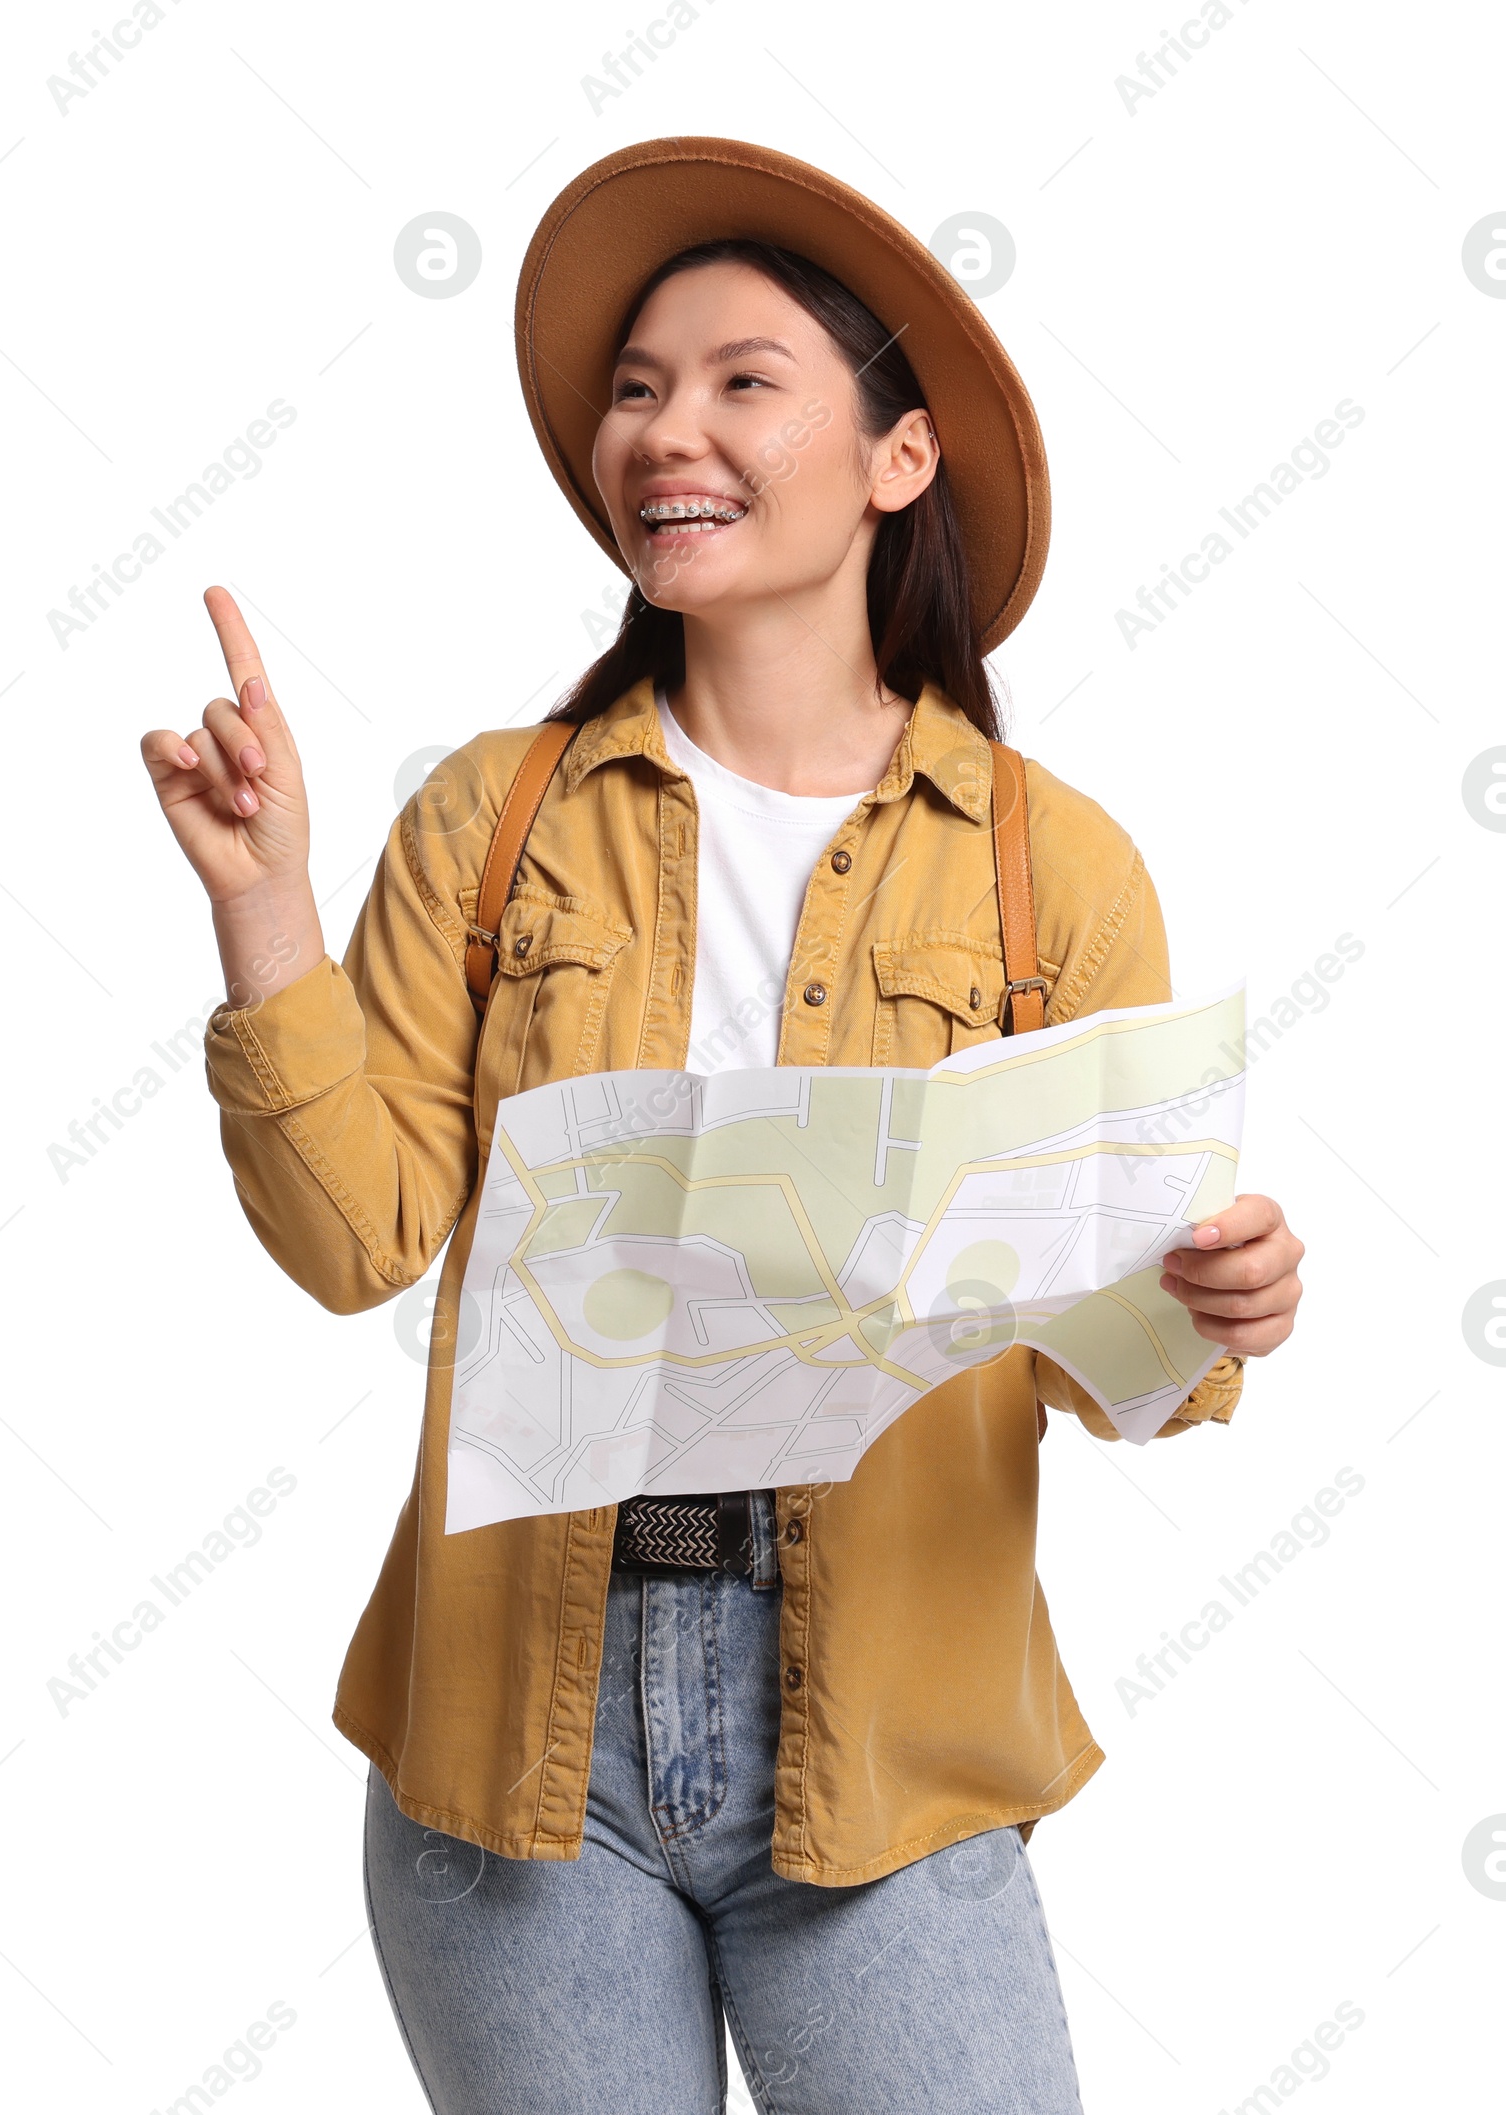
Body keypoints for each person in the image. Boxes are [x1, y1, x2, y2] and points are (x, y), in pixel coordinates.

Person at [142, 139, 1304, 2114]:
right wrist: (264, 907)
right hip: (515, 1722)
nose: (661, 426)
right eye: (632, 386)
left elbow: (1132, 1373)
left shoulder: (1046, 868)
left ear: (895, 459)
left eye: (738, 380)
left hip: (893, 1734)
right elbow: (356, 1240)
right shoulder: (493, 821)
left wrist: (1218, 1300)